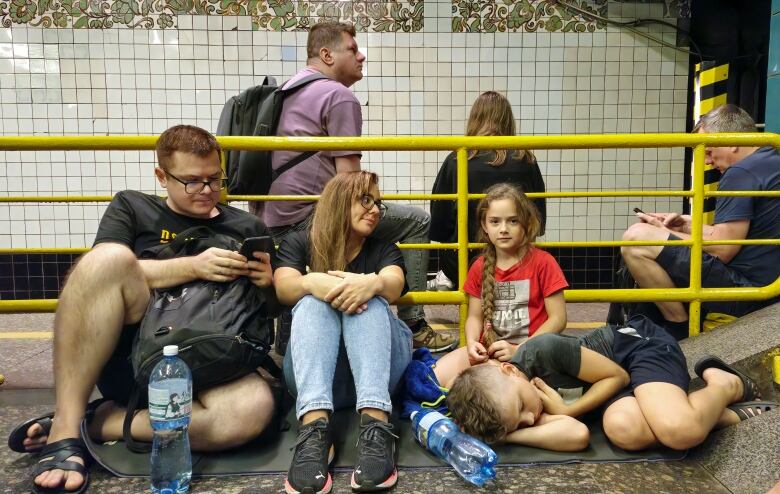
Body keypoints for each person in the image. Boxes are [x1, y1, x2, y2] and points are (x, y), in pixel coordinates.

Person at [8, 125, 277, 494]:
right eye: (192, 181)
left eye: (215, 178)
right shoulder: (133, 208)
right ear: (161, 176)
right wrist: (193, 266)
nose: (207, 190)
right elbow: (101, 273)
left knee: (251, 412)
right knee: (108, 258)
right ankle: (66, 429)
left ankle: (104, 421)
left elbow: (267, 315)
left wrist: (267, 283)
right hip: (138, 354)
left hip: (215, 359)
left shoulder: (246, 225)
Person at [253, 21, 455, 353]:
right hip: (308, 214)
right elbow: (350, 184)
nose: (361, 56)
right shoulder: (338, 95)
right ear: (326, 54)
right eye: (352, 49)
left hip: (271, 215)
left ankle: (287, 346)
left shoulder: (287, 89)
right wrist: (371, 206)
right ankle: (414, 324)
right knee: (418, 220)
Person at [445, 314, 775, 451]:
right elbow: (576, 435)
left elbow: (617, 376)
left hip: (637, 349)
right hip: (617, 390)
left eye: (520, 410)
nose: (529, 417)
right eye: (519, 423)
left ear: (509, 370)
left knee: (679, 431)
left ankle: (723, 383)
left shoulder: (540, 351)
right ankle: (722, 415)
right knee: (623, 431)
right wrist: (508, 433)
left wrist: (567, 409)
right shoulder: (518, 402)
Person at [274, 171, 413, 493]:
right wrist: (311, 282)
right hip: (317, 380)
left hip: (376, 375)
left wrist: (372, 283)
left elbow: (394, 283)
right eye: (365, 200)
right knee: (310, 304)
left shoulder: (383, 248)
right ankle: (314, 429)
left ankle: (377, 423)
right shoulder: (300, 242)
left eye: (378, 202)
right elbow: (283, 287)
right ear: (339, 203)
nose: (376, 209)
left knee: (372, 300)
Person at [621, 104, 780, 339]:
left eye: (708, 150)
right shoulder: (770, 161)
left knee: (636, 238)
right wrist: (685, 225)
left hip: (748, 293)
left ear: (732, 142)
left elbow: (724, 249)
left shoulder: (741, 173)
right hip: (770, 286)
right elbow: (740, 234)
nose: (707, 161)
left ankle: (677, 326)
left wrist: (659, 233)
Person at [430, 91, 547, 287]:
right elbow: (538, 219)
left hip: (465, 263)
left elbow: (439, 224)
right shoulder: (526, 159)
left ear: (475, 119)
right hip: (516, 258)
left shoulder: (457, 158)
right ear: (508, 120)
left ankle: (448, 281)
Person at [460, 183, 567, 366]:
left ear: (527, 223)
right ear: (484, 226)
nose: (503, 229)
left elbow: (558, 319)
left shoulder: (544, 262)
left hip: (534, 354)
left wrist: (520, 349)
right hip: (490, 354)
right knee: (439, 375)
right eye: (495, 221)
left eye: (513, 221)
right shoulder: (479, 266)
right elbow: (474, 317)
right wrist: (471, 343)